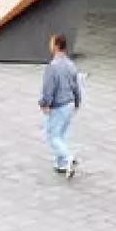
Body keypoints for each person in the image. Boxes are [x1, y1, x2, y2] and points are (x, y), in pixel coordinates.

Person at [39, 32, 82, 178]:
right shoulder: (70, 64)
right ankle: (60, 163)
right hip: (70, 103)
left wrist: (45, 103)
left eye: (51, 43)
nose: (49, 45)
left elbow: (48, 88)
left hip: (59, 105)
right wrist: (77, 101)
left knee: (53, 136)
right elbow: (76, 86)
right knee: (61, 134)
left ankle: (67, 158)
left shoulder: (52, 67)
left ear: (56, 45)